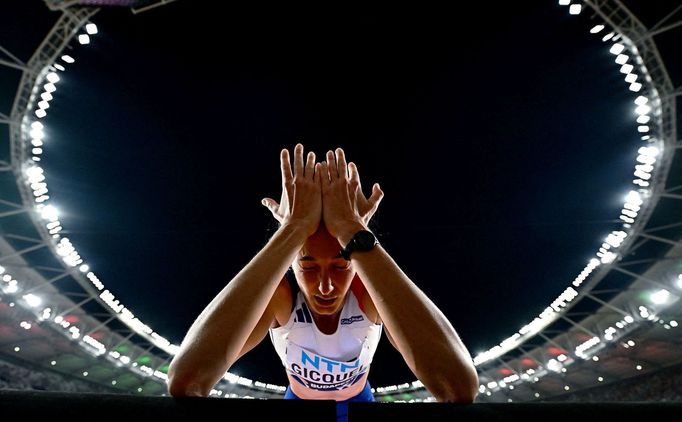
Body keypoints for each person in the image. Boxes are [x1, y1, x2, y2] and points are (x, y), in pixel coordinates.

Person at [167, 144, 479, 421]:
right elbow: (187, 379)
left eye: (342, 265)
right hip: (299, 400)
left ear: (359, 265)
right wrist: (291, 230)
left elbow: (458, 387)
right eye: (308, 265)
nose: (326, 286)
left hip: (359, 400)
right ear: (289, 263)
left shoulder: (368, 294)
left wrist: (353, 229)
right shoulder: (281, 298)